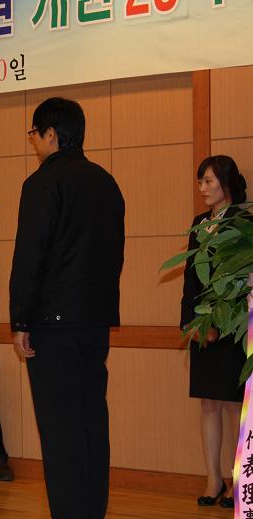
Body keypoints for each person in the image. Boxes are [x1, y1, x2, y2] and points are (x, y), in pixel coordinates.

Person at [10, 97, 125, 519]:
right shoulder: (106, 182)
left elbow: (30, 257)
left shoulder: (42, 183)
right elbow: (115, 253)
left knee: (60, 429)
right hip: (96, 320)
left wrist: (21, 319)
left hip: (52, 324)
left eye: (34, 134)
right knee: (92, 419)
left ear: (51, 134)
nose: (34, 142)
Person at [181, 155, 248, 509]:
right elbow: (189, 279)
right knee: (208, 403)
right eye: (200, 182)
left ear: (226, 182)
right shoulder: (198, 223)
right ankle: (213, 480)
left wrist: (225, 322)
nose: (202, 188)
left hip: (234, 327)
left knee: (236, 406)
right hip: (203, 325)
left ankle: (240, 481)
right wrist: (191, 323)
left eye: (208, 181)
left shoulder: (244, 221)